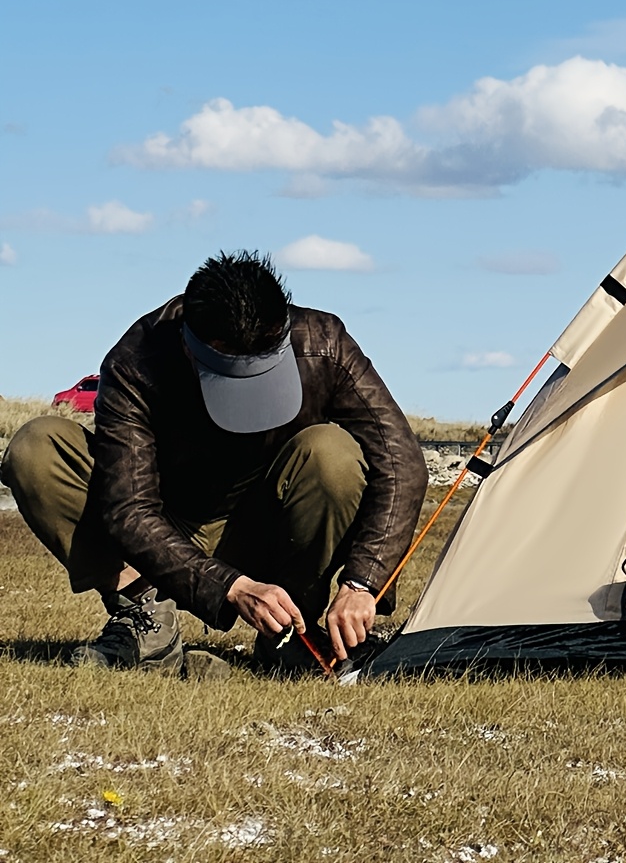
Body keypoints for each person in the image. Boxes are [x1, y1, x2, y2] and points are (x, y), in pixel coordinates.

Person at [0, 251, 427, 675]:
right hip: (163, 525)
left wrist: (362, 583)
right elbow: (130, 507)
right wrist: (231, 587)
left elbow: (401, 461)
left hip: (266, 524)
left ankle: (291, 635)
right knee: (36, 447)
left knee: (332, 453)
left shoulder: (325, 343)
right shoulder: (136, 361)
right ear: (191, 347)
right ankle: (146, 624)